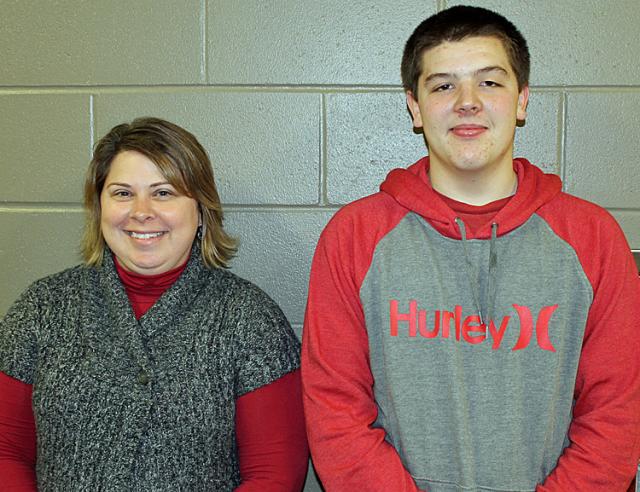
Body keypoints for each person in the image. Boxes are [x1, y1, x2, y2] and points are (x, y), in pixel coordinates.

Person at [302, 6, 640, 492]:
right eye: (443, 86)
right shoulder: (354, 236)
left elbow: (615, 417)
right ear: (415, 107)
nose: (467, 102)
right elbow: (335, 412)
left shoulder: (593, 238)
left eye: (489, 82)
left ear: (521, 100)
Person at [0, 117, 308, 491]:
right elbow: (6, 451)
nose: (141, 211)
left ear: (201, 209)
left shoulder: (250, 320)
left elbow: (275, 473)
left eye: (163, 193)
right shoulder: (41, 309)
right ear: (100, 207)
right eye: (122, 193)